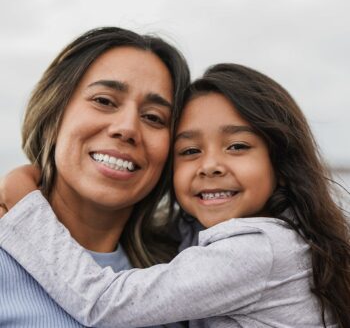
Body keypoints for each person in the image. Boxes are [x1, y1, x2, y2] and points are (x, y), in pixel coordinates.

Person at [1, 63, 350, 327]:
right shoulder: (199, 239)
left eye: (238, 146)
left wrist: (25, 205)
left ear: (281, 164)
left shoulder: (260, 248)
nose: (210, 165)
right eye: (189, 151)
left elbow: (105, 302)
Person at [0, 26, 190, 327]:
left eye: (154, 117)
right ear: (54, 112)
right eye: (104, 101)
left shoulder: (186, 278)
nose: (127, 128)